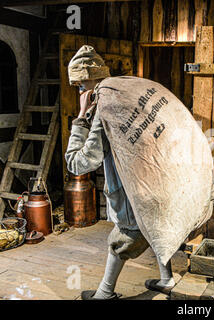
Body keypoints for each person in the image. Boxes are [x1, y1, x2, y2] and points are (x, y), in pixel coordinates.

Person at [65, 45, 175, 300]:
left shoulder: (105, 109)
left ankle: (104, 294)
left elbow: (78, 163)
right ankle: (167, 279)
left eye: (81, 86)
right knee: (156, 228)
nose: (79, 92)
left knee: (123, 238)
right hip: (155, 182)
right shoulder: (129, 95)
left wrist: (81, 116)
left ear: (91, 84)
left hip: (130, 191)